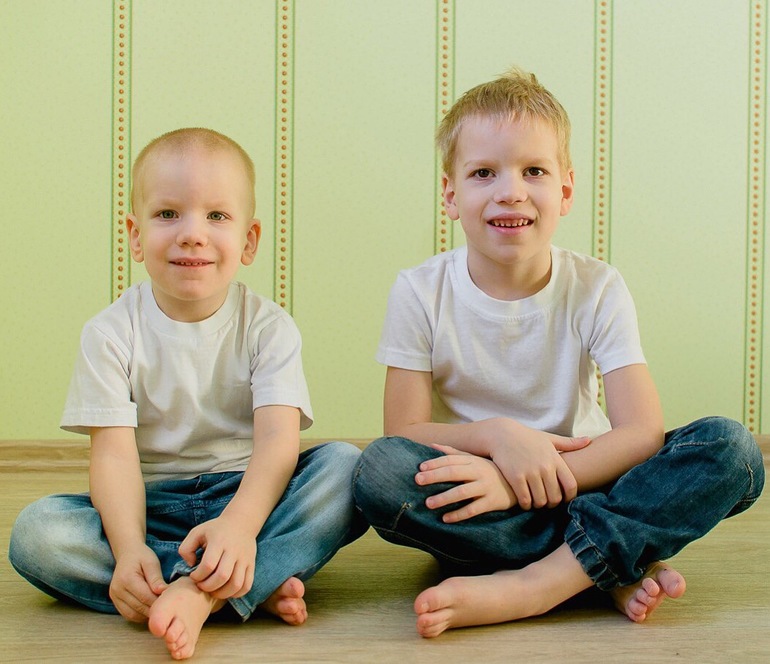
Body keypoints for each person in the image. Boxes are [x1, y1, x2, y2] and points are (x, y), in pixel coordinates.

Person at [352, 67, 765, 639]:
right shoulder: (419, 291)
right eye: (483, 172)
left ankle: (536, 583)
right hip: (482, 497)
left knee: (733, 451)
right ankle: (605, 562)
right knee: (377, 472)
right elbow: (402, 431)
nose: (510, 190)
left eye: (534, 171)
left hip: (590, 480)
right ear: (450, 194)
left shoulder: (597, 287)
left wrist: (539, 475)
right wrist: (498, 440)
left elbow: (641, 433)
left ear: (566, 191)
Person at [9, 128, 367, 660]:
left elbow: (277, 444)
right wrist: (128, 549)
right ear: (135, 236)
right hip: (150, 506)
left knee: (345, 469)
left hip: (249, 497)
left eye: (217, 216)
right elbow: (113, 456)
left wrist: (239, 527)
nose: (192, 234)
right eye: (168, 214)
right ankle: (242, 584)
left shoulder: (269, 328)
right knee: (37, 535)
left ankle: (203, 590)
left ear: (249, 240)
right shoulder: (109, 333)